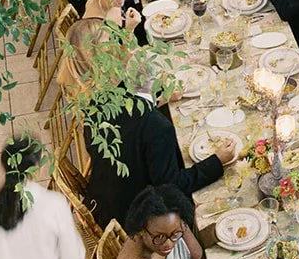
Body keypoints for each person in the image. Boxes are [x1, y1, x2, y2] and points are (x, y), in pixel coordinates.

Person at [83, 59, 236, 226]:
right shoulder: (158, 127)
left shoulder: (100, 99)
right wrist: (217, 161)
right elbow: (171, 186)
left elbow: (96, 144)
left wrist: (157, 101)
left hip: (100, 201)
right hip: (132, 219)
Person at [113, 185, 212, 259]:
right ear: (141, 231)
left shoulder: (172, 225)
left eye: (175, 234)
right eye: (159, 237)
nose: (169, 243)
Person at [57, 0, 137, 98]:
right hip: (104, 92)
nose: (121, 0)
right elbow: (115, 73)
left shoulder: (100, 5)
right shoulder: (94, 31)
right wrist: (129, 31)